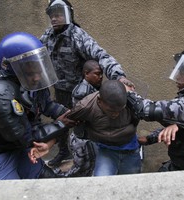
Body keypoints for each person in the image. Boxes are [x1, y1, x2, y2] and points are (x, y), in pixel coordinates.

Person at [0, 32, 77, 181]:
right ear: (12, 68)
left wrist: (69, 113)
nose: (37, 76)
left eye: (38, 66)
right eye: (30, 69)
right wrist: (62, 124)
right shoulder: (0, 99)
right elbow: (25, 137)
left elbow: (46, 105)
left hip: (15, 149)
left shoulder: (32, 82)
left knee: (51, 183)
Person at [40, 0, 133, 167]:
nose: (54, 18)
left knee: (84, 128)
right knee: (62, 121)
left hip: (81, 93)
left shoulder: (77, 35)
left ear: (68, 15)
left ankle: (91, 159)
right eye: (52, 15)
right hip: (60, 89)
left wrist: (119, 76)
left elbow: (102, 56)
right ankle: (63, 151)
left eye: (59, 14)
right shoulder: (48, 36)